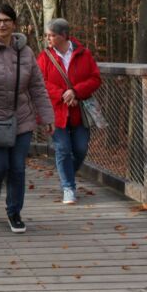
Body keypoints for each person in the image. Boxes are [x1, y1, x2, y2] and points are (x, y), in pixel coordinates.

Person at [0, 4, 53, 234]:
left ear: (14, 24)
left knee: (17, 168)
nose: (1, 24)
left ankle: (14, 212)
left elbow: (37, 86)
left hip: (22, 118)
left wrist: (47, 116)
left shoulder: (25, 52)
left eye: (6, 20)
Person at [37, 18, 102, 205]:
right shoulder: (44, 57)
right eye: (47, 35)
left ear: (64, 35)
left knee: (80, 148)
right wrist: (62, 94)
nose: (48, 38)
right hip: (55, 111)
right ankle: (68, 187)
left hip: (79, 111)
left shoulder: (84, 54)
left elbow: (95, 79)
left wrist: (75, 91)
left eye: (52, 35)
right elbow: (40, 81)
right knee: (63, 148)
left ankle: (67, 176)